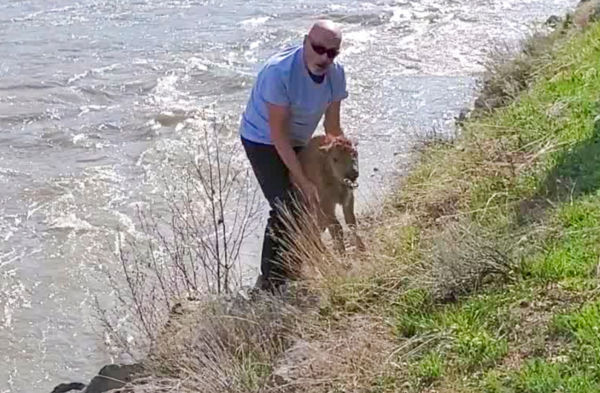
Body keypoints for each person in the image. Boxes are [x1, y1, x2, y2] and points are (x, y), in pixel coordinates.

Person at [239, 19, 349, 292]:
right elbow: (278, 135)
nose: (324, 57)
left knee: (318, 198)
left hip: (299, 138)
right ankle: (270, 283)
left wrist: (345, 153)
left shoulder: (336, 75)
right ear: (305, 42)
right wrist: (302, 179)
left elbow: (332, 128)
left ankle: (295, 262)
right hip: (262, 138)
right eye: (318, 48)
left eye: (332, 52)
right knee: (287, 203)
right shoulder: (279, 72)